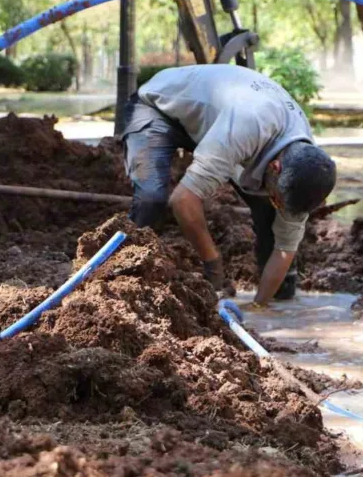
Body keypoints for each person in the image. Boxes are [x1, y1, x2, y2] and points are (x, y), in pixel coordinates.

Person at [120, 64, 337, 306]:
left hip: (218, 122)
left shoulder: (306, 164)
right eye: (279, 196)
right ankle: (120, 277)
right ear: (276, 167)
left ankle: (279, 296)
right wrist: (213, 263)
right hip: (158, 108)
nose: (278, 202)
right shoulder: (246, 127)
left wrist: (259, 308)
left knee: (270, 211)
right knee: (152, 198)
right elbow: (183, 200)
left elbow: (285, 247)